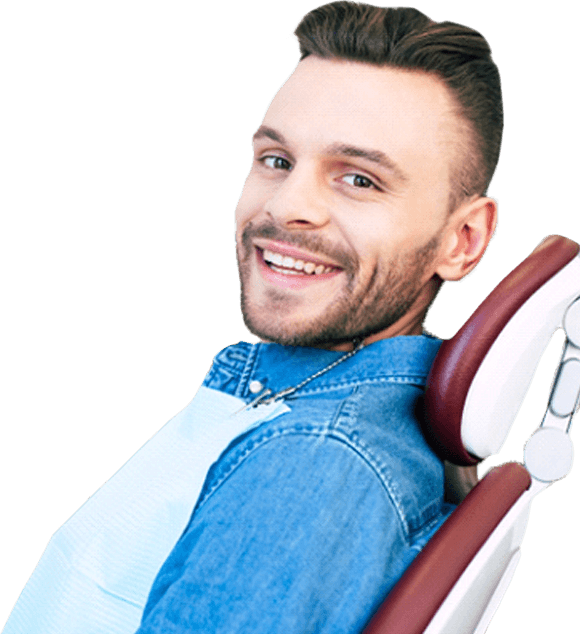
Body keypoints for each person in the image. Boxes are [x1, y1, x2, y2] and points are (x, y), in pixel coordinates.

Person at [2, 2, 503, 633]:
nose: (289, 206)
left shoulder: (310, 466)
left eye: (359, 179)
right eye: (276, 160)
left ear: (462, 240)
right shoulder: (298, 401)